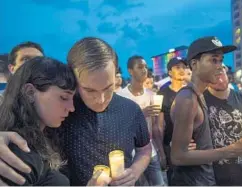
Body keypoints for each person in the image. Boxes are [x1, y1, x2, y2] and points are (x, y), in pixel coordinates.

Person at [0, 37, 151, 186]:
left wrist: (135, 171)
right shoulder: (59, 111)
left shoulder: (131, 109)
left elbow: (144, 148)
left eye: (108, 87)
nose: (101, 99)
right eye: (89, 90)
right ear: (72, 78)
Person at [170, 36, 242, 185]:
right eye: (214, 60)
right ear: (194, 64)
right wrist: (233, 149)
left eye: (221, 60)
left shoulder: (198, 95)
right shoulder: (187, 98)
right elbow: (177, 156)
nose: (220, 66)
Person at [0, 56, 76, 185]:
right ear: (29, 92)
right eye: (64, 97)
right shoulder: (17, 150)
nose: (72, 108)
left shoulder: (45, 137)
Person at [117, 55, 165, 185]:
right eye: (139, 67)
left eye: (145, 67)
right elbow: (117, 126)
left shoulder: (151, 95)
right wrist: (139, 115)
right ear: (130, 71)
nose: (144, 70)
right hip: (130, 153)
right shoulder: (120, 96)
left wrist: (161, 151)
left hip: (150, 150)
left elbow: (155, 126)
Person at [155, 57, 194, 184]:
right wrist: (161, 152)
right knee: (175, 180)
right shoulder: (162, 93)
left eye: (184, 67)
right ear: (170, 72)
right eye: (177, 68)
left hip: (192, 144)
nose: (182, 70)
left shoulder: (191, 91)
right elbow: (159, 126)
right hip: (171, 145)